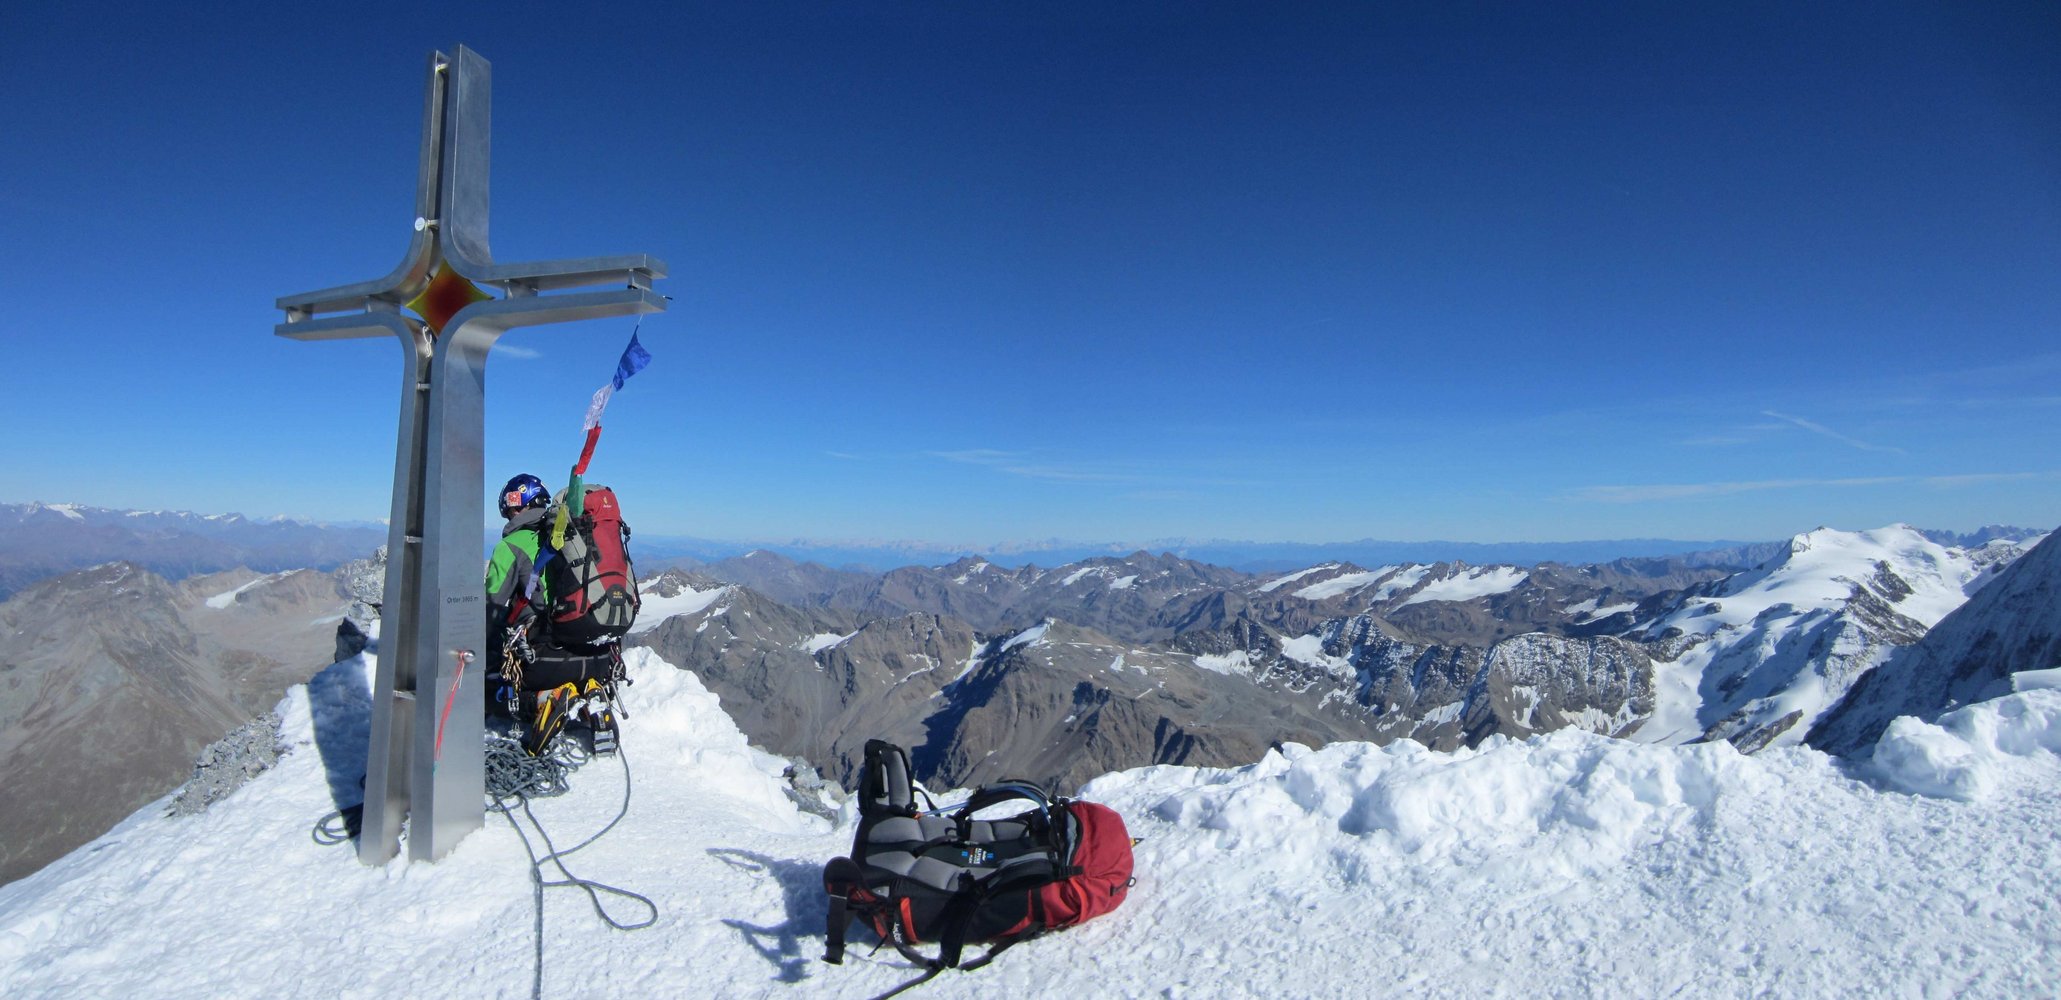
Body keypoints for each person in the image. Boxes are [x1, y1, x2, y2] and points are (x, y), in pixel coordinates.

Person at [485, 472, 617, 754]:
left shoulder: (510, 546)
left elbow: (489, 610)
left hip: (546, 661)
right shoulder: (575, 537)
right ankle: (590, 695)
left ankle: (546, 699)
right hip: (598, 658)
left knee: (486, 692)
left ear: (515, 505)